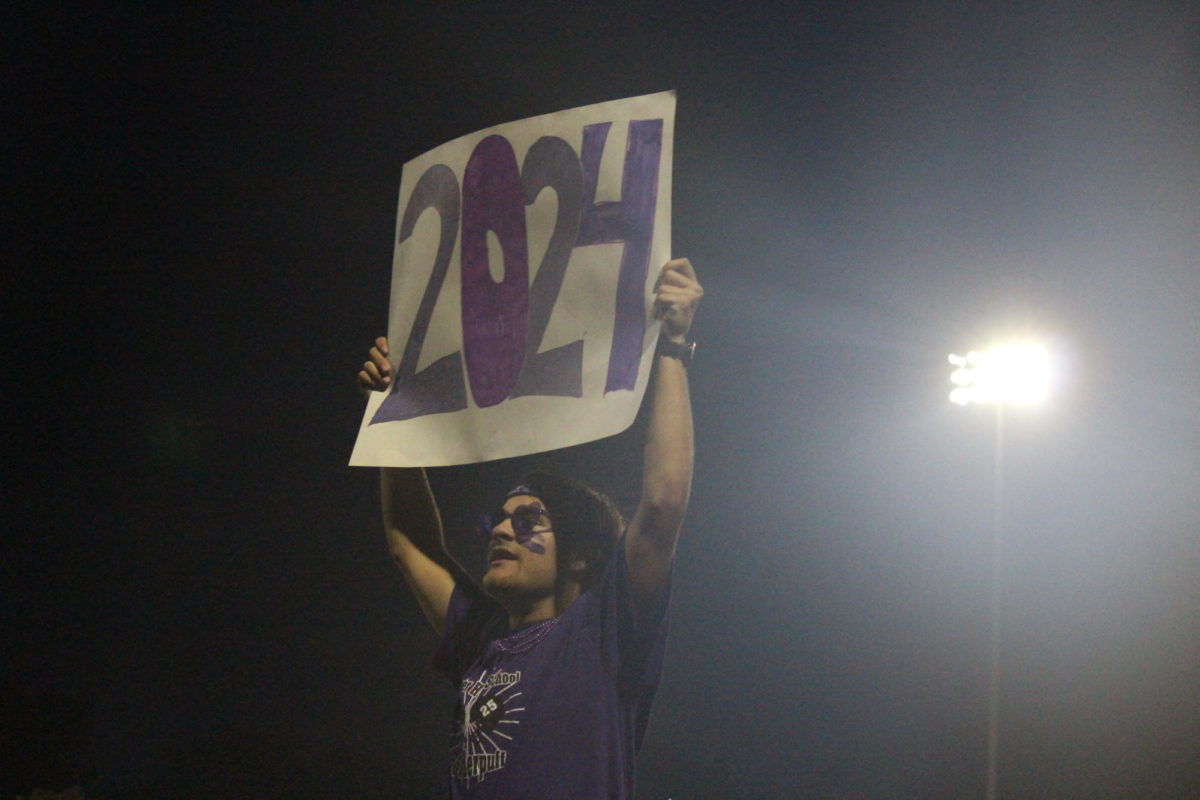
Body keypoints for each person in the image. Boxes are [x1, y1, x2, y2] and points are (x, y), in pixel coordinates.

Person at [357, 258, 703, 799]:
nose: (500, 531)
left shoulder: (604, 631)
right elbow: (409, 544)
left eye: (527, 521)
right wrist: (390, 412)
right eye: (497, 520)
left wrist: (673, 348)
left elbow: (661, 506)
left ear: (582, 557)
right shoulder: (481, 639)